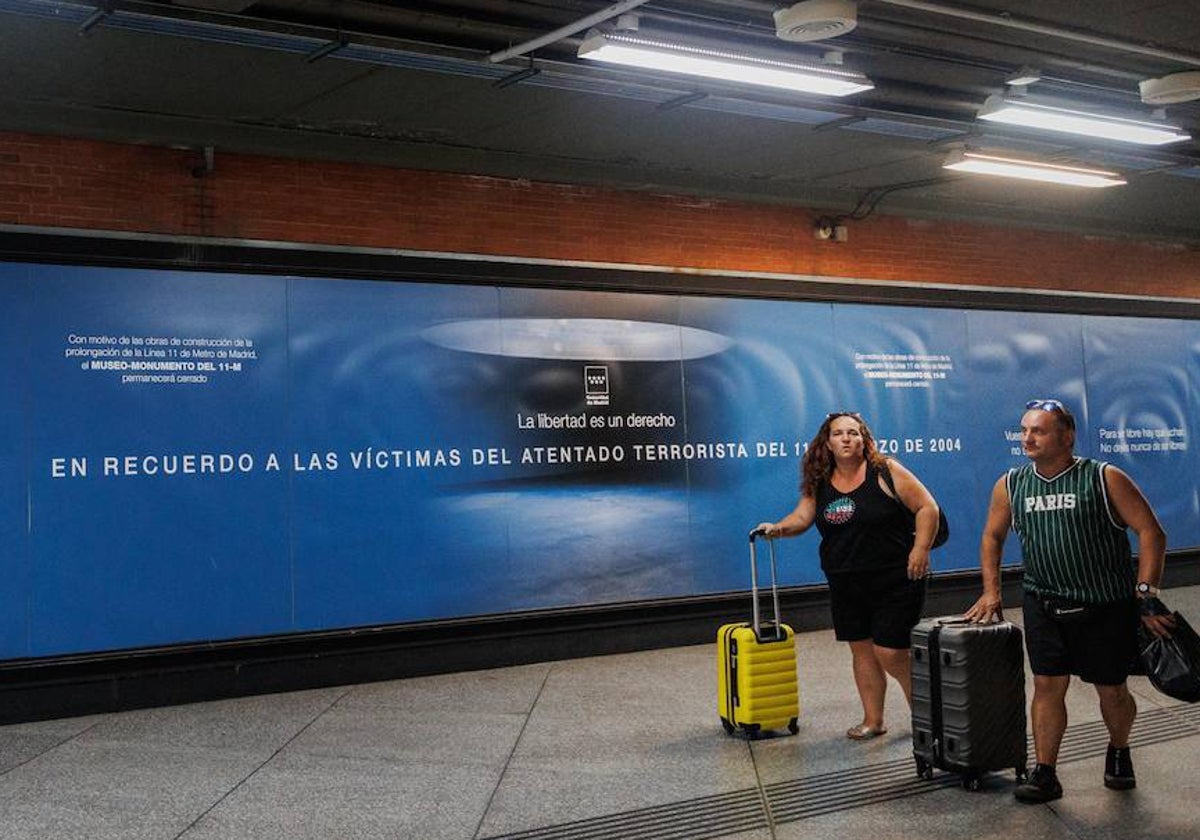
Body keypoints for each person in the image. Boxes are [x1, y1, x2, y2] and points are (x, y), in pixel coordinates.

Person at [964, 398, 1175, 804]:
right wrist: (992, 590)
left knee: (1110, 690)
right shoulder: (1010, 484)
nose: (1027, 438)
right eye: (1024, 430)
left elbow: (1152, 532)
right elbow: (992, 536)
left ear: (1066, 435)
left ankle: (1118, 749)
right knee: (1046, 686)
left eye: (1038, 430)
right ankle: (1045, 773)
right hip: (1043, 602)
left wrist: (1147, 595)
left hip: (1104, 604)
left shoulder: (1103, 478)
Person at [757, 411, 941, 740]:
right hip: (845, 580)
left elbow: (928, 508)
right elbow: (802, 517)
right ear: (826, 443)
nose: (846, 438)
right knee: (862, 650)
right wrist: (778, 529)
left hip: (896, 577)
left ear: (864, 440)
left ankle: (929, 718)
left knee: (891, 652)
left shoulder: (885, 470)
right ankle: (874, 720)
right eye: (839, 433)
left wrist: (921, 549)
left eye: (853, 433)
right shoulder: (820, 480)